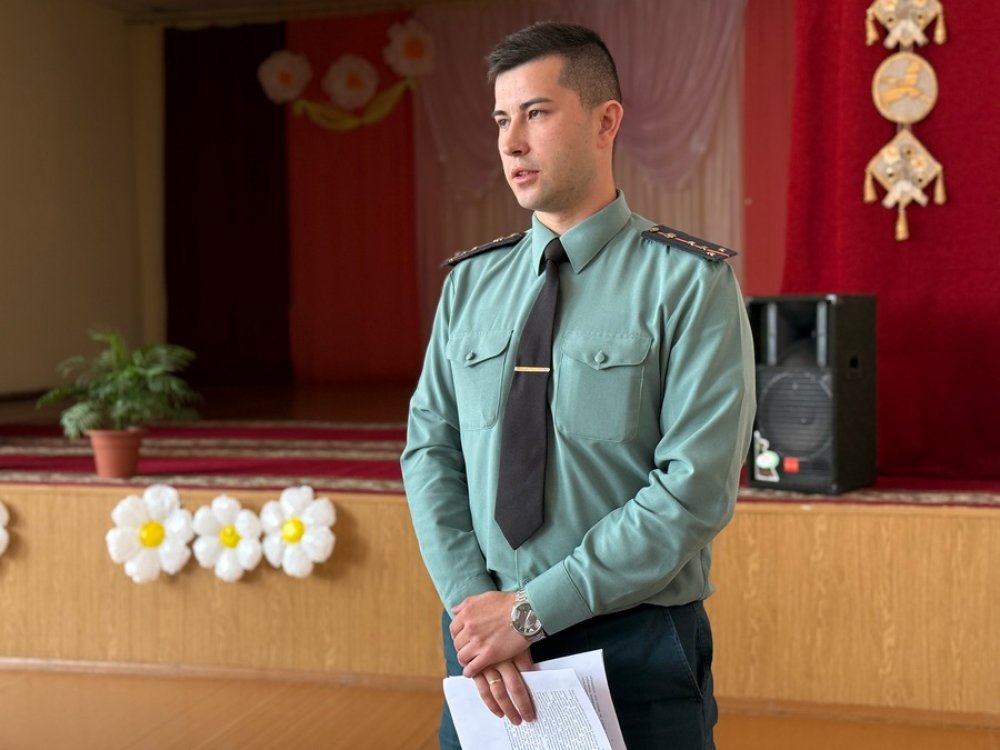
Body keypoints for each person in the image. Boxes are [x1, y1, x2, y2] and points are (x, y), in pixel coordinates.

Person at [401, 21, 755, 750]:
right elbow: (429, 451)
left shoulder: (689, 283)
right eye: (501, 119)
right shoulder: (470, 284)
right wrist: (477, 606)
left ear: (605, 122)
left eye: (535, 113)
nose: (511, 142)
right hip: (484, 639)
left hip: (631, 640)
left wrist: (529, 613)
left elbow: (693, 490)